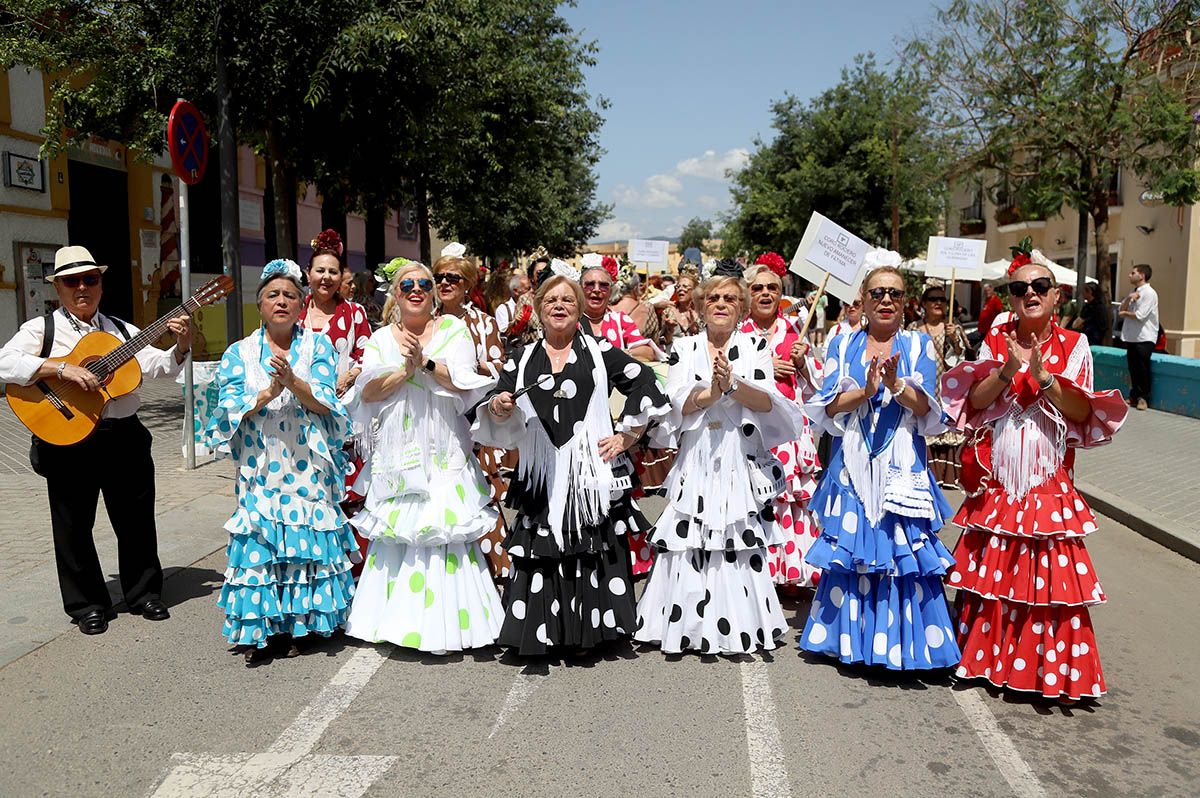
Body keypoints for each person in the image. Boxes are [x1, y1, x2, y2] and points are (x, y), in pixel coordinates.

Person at [942, 249, 1128, 701]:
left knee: (1047, 579)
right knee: (994, 573)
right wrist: (1007, 370)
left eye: (1039, 287)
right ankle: (986, 660)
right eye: (1019, 288)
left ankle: (1041, 667)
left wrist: (1046, 379)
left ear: (1056, 296)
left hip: (1047, 478)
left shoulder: (1074, 346)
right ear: (1010, 298)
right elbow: (978, 402)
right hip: (1001, 479)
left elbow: (1084, 410)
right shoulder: (996, 338)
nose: (1029, 294)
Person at [473, 275, 669, 655]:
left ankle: (587, 633)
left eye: (567, 299)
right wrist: (500, 405)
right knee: (541, 547)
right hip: (540, 470)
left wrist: (625, 436)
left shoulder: (600, 351)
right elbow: (499, 397)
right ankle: (544, 631)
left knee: (588, 546)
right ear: (539, 308)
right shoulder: (522, 357)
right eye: (551, 300)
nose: (559, 305)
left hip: (589, 472)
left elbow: (645, 380)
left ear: (580, 309)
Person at [0, 245, 191, 635]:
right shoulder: (42, 330)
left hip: (123, 435)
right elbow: (4, 361)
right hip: (67, 436)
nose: (83, 287)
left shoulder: (121, 330)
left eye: (91, 279)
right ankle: (87, 604)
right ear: (59, 288)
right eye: (73, 281)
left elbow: (159, 367)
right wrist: (60, 368)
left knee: (136, 519)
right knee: (72, 526)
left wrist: (182, 345)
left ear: (101, 285)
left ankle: (143, 593)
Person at [635, 261, 803, 654]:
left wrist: (732, 385)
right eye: (713, 297)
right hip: (696, 457)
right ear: (701, 305)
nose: (721, 304)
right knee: (688, 537)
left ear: (742, 306)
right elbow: (678, 403)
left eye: (730, 298)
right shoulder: (684, 347)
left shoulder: (756, 347)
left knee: (735, 538)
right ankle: (686, 625)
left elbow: (765, 402)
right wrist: (712, 392)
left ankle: (737, 626)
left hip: (736, 455)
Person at [799, 266, 961, 670]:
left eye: (895, 293)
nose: (886, 300)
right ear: (863, 299)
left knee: (901, 546)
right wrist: (867, 391)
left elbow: (927, 408)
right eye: (877, 293)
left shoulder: (919, 345)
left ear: (905, 302)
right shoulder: (842, 343)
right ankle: (853, 642)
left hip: (902, 460)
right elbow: (828, 407)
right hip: (852, 461)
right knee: (854, 549)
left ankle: (903, 644)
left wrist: (896, 387)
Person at [343, 261, 503, 652]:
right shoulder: (381, 339)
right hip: (399, 448)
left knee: (443, 527)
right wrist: (406, 369)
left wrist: (427, 364)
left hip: (445, 447)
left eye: (424, 284)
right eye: (407, 285)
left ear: (433, 292)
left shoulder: (453, 329)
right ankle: (398, 622)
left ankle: (450, 624)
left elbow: (465, 382)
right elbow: (369, 392)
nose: (416, 290)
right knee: (401, 529)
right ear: (395, 295)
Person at [205, 259, 357, 662]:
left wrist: (293, 382)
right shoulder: (239, 353)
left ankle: (302, 625)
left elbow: (327, 403)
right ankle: (266, 627)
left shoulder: (317, 346)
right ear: (260, 304)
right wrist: (268, 394)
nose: (281, 301)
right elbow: (225, 410)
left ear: (301, 302)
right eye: (273, 294)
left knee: (305, 547)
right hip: (261, 465)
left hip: (307, 465)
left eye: (290, 294)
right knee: (263, 541)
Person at [740, 255, 824, 589]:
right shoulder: (738, 333)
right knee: (756, 497)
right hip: (752, 428)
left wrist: (803, 363)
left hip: (789, 432)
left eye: (772, 288)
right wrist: (764, 368)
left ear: (781, 294)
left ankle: (789, 572)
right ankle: (757, 572)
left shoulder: (794, 332)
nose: (764, 293)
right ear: (748, 294)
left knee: (789, 498)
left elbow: (816, 384)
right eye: (757, 288)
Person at [433, 245, 511, 580]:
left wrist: (475, 368)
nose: (445, 283)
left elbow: (499, 370)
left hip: (472, 424)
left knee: (480, 501)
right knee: (439, 503)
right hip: (434, 425)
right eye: (439, 277)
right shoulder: (427, 320)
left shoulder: (483, 323)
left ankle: (496, 574)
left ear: (467, 284)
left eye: (453, 278)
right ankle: (451, 580)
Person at [908, 281, 969, 488]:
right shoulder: (913, 328)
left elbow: (962, 359)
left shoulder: (954, 327)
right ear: (923, 303)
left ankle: (946, 475)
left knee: (943, 425)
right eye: (933, 299)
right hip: (923, 386)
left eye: (942, 299)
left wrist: (955, 339)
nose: (938, 303)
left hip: (945, 387)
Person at [1118, 264, 1158, 410]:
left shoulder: (1149, 293)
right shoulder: (1133, 292)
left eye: (1133, 272)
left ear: (1141, 275)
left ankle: (1144, 398)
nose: (1130, 275)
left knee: (1143, 368)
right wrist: (1129, 299)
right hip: (1131, 337)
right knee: (1133, 368)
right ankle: (1134, 395)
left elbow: (1141, 315)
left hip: (1144, 337)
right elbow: (1120, 309)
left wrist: (1125, 314)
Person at [661, 267, 702, 347]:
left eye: (685, 286)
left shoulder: (701, 313)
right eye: (678, 287)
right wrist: (670, 330)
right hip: (673, 355)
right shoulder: (668, 312)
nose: (680, 289)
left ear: (694, 290)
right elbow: (666, 342)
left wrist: (697, 332)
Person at [1074, 282, 1110, 346]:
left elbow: (1076, 324)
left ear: (1090, 292)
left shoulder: (1090, 307)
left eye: (1084, 291)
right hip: (1099, 340)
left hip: (1090, 339)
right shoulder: (1102, 306)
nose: (1082, 293)